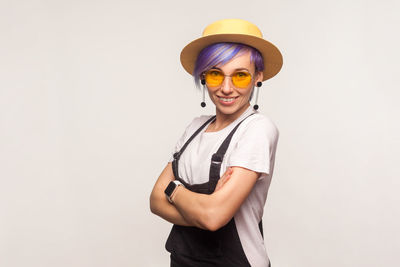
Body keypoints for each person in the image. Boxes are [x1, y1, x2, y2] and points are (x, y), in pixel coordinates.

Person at [150, 18, 283, 267]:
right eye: (215, 74)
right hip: (183, 261)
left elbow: (213, 217)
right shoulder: (194, 128)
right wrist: (203, 209)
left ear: (258, 76)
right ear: (204, 76)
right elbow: (155, 201)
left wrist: (174, 189)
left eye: (240, 76)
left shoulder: (257, 129)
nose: (226, 88)